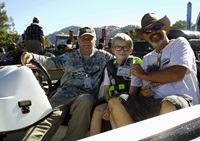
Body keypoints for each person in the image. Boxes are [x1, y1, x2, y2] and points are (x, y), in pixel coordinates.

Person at [20, 26, 114, 141]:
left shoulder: (104, 57)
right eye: (83, 39)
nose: (86, 42)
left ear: (95, 40)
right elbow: (50, 62)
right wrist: (32, 56)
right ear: (78, 40)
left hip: (85, 96)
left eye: (90, 38)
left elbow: (120, 60)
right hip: (63, 95)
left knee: (86, 101)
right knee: (48, 118)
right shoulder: (69, 57)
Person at [108, 12, 200, 128]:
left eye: (157, 27)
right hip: (153, 104)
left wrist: (144, 75)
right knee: (115, 101)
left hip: (182, 101)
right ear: (144, 36)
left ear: (164, 28)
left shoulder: (179, 43)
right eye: (148, 31)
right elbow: (143, 90)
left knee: (168, 104)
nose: (153, 32)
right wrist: (142, 94)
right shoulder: (146, 59)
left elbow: (178, 73)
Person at [90, 33, 142, 136]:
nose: (122, 51)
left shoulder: (135, 66)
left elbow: (132, 94)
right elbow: (106, 90)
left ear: (131, 50)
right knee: (97, 110)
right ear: (113, 50)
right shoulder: (109, 66)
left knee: (114, 114)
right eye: (118, 48)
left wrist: (112, 108)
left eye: (126, 48)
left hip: (130, 101)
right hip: (112, 100)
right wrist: (110, 104)